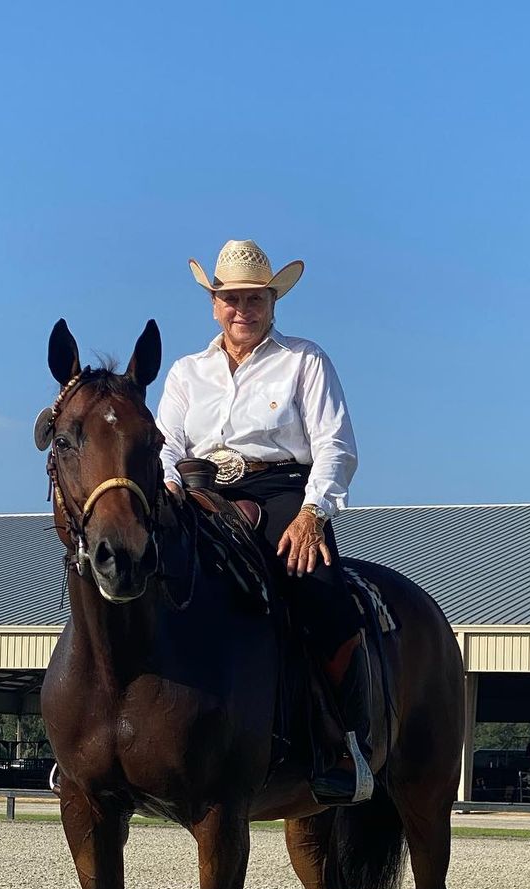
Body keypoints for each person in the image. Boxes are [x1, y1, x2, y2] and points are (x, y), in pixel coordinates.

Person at [157, 239, 367, 804]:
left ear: (273, 302)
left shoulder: (304, 360)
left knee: (321, 593)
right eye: (230, 299)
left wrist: (311, 514)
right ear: (213, 304)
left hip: (281, 492)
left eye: (254, 299)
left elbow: (336, 446)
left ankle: (342, 744)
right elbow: (168, 442)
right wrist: (169, 488)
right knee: (138, 575)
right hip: (198, 491)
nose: (241, 309)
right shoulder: (185, 372)